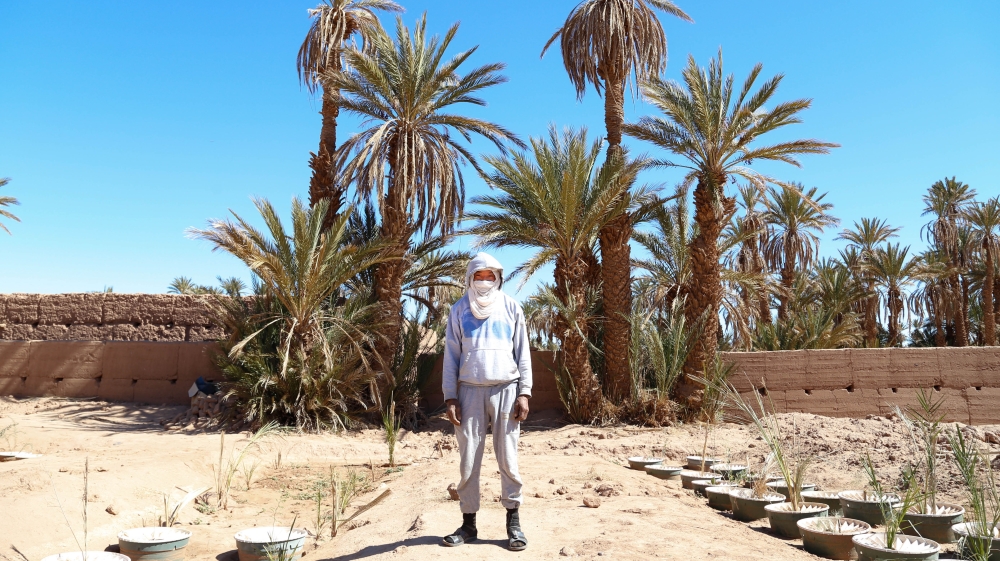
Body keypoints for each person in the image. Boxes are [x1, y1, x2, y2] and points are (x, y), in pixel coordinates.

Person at [441, 252, 532, 551]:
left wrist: (524, 392)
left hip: (506, 389)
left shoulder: (511, 308)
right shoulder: (459, 311)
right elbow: (451, 356)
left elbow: (523, 353)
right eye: (478, 276)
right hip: (469, 391)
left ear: (498, 278)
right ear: (469, 278)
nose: (483, 281)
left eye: (489, 276)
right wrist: (450, 396)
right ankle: (468, 525)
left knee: (507, 457)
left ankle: (513, 523)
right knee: (468, 460)